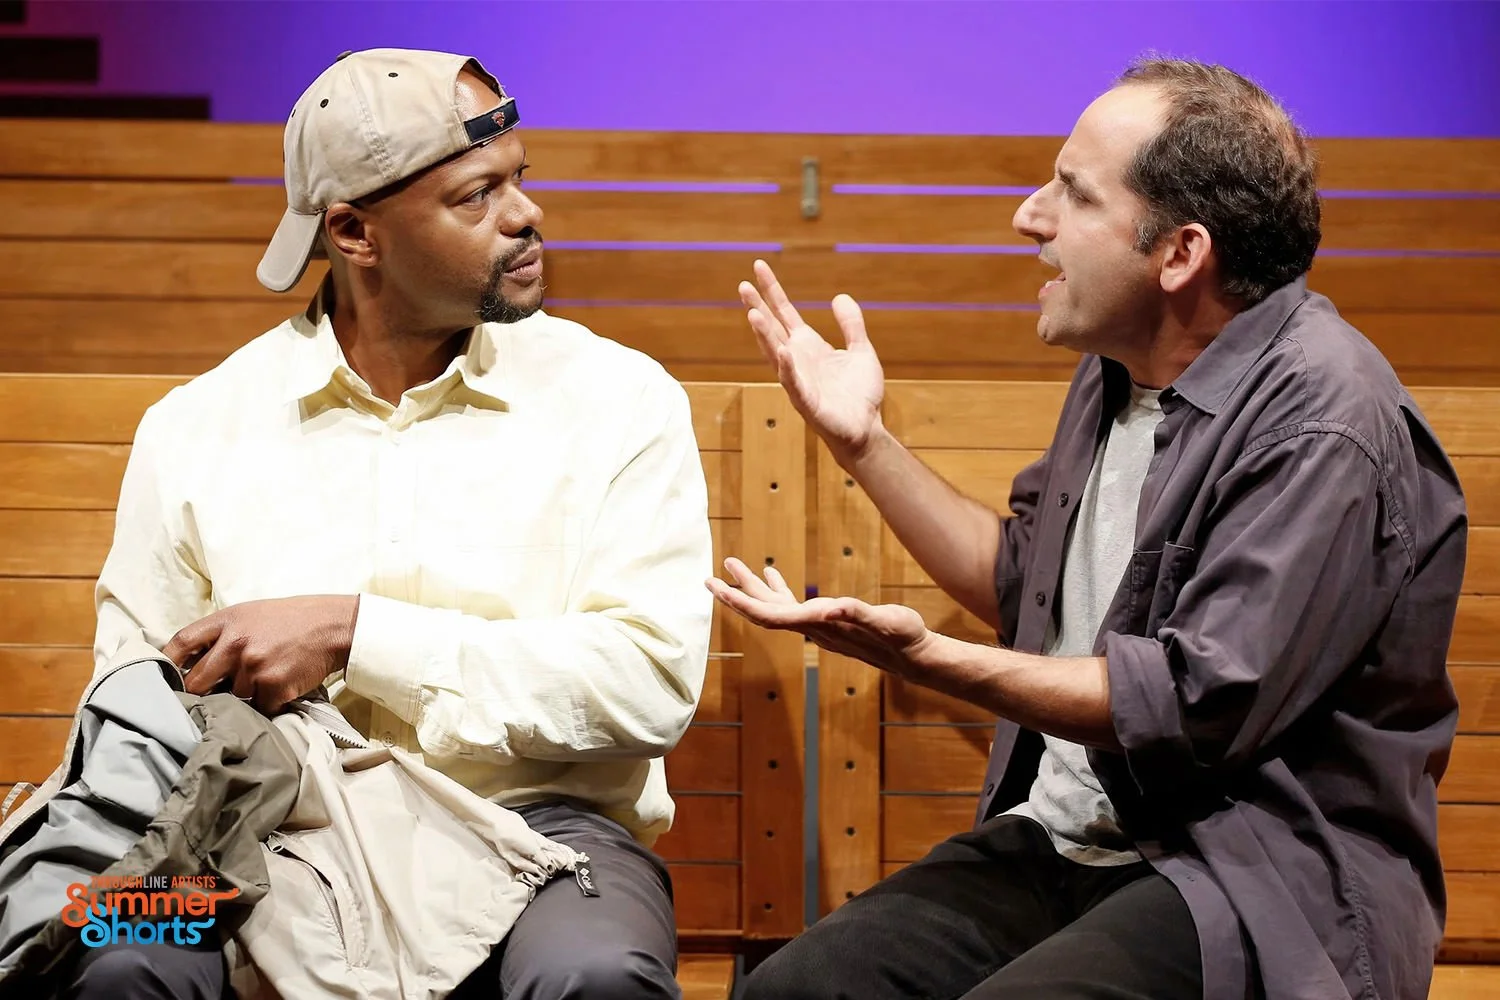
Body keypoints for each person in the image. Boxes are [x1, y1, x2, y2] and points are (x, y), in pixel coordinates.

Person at [708, 58, 1463, 1000]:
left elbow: (1191, 706)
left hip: (1251, 875)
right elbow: (1028, 585)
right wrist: (862, 443)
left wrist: (927, 659)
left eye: (1072, 193)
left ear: (1179, 254)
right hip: (1072, 838)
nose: (1031, 217)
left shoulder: (1324, 424)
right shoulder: (1121, 369)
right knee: (790, 992)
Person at [79, 47, 712, 1000]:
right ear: (354, 234)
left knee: (598, 975)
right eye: (475, 197)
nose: (525, 214)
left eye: (519, 182)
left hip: (538, 839)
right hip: (260, 845)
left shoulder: (620, 400)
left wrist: (354, 633)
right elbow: (132, 704)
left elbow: (650, 683)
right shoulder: (196, 427)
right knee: (109, 948)